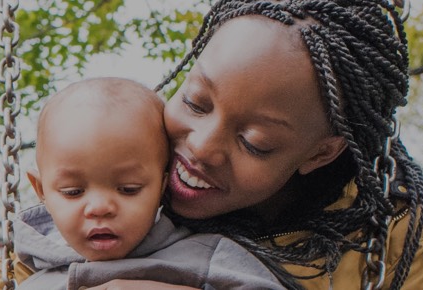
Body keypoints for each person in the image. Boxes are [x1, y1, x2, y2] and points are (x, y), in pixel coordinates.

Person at [0, 0, 423, 289]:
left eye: (255, 142)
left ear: (323, 151)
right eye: (194, 102)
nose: (201, 148)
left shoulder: (411, 245)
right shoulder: (109, 185)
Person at [14, 77, 283, 290]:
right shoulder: (24, 273)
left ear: (162, 186)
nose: (99, 207)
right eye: (73, 192)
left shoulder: (204, 257)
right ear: (41, 190)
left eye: (128, 189)